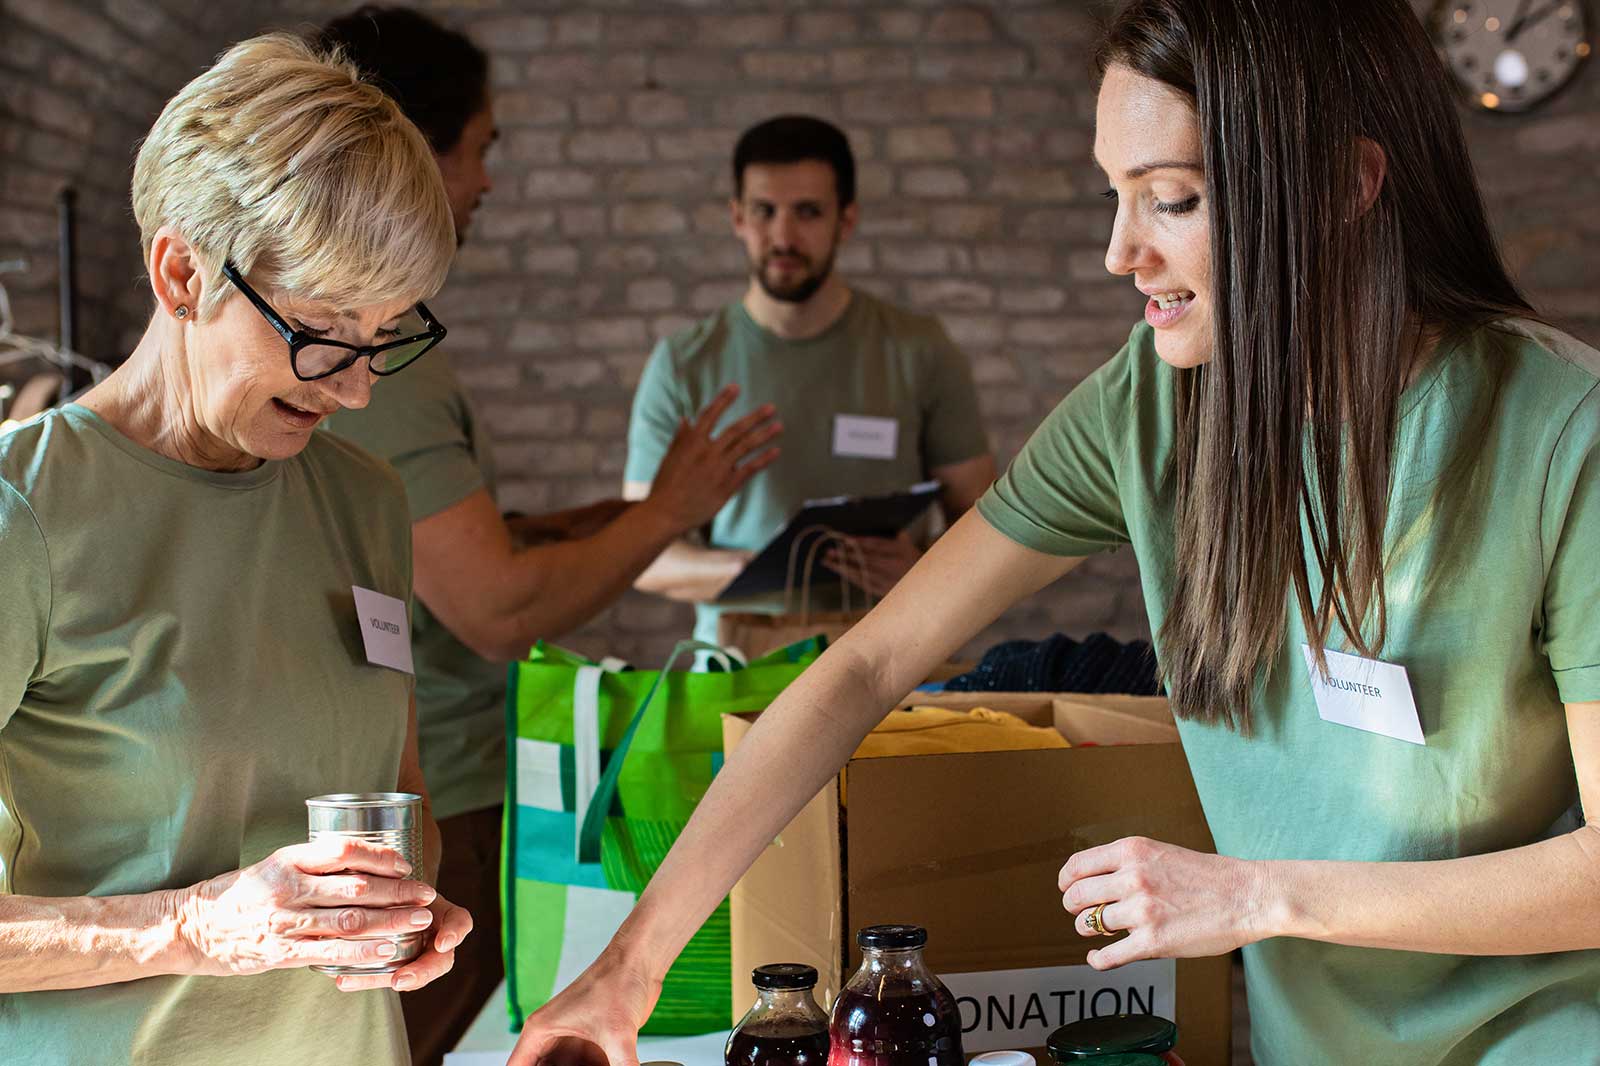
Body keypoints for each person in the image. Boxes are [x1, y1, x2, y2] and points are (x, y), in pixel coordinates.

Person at [511, 2, 1600, 1064]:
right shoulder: (1150, 406)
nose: (1118, 250)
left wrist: (1257, 893)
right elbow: (869, 665)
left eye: (1169, 199)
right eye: (1112, 195)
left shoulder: (1564, 433)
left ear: (1342, 188)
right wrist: (630, 963)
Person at [314, 9, 782, 1063]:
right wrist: (663, 514)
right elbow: (496, 607)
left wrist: (623, 514)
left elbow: (435, 545)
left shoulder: (390, 344)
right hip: (441, 784)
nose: (485, 182)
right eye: (479, 149)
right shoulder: (378, 344)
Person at [0, 34, 474, 1065]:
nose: (355, 388)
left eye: (385, 334)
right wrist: (196, 926)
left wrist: (411, 902)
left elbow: (399, 793)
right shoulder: (21, 512)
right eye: (322, 331)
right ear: (181, 272)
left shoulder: (363, 499)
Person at [623, 115, 997, 646]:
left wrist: (924, 569)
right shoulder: (683, 364)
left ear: (846, 221)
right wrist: (768, 568)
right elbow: (642, 557)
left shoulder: (921, 349)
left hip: (895, 656)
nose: (782, 236)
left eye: (807, 212)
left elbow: (985, 526)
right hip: (738, 664)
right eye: (764, 211)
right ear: (736, 217)